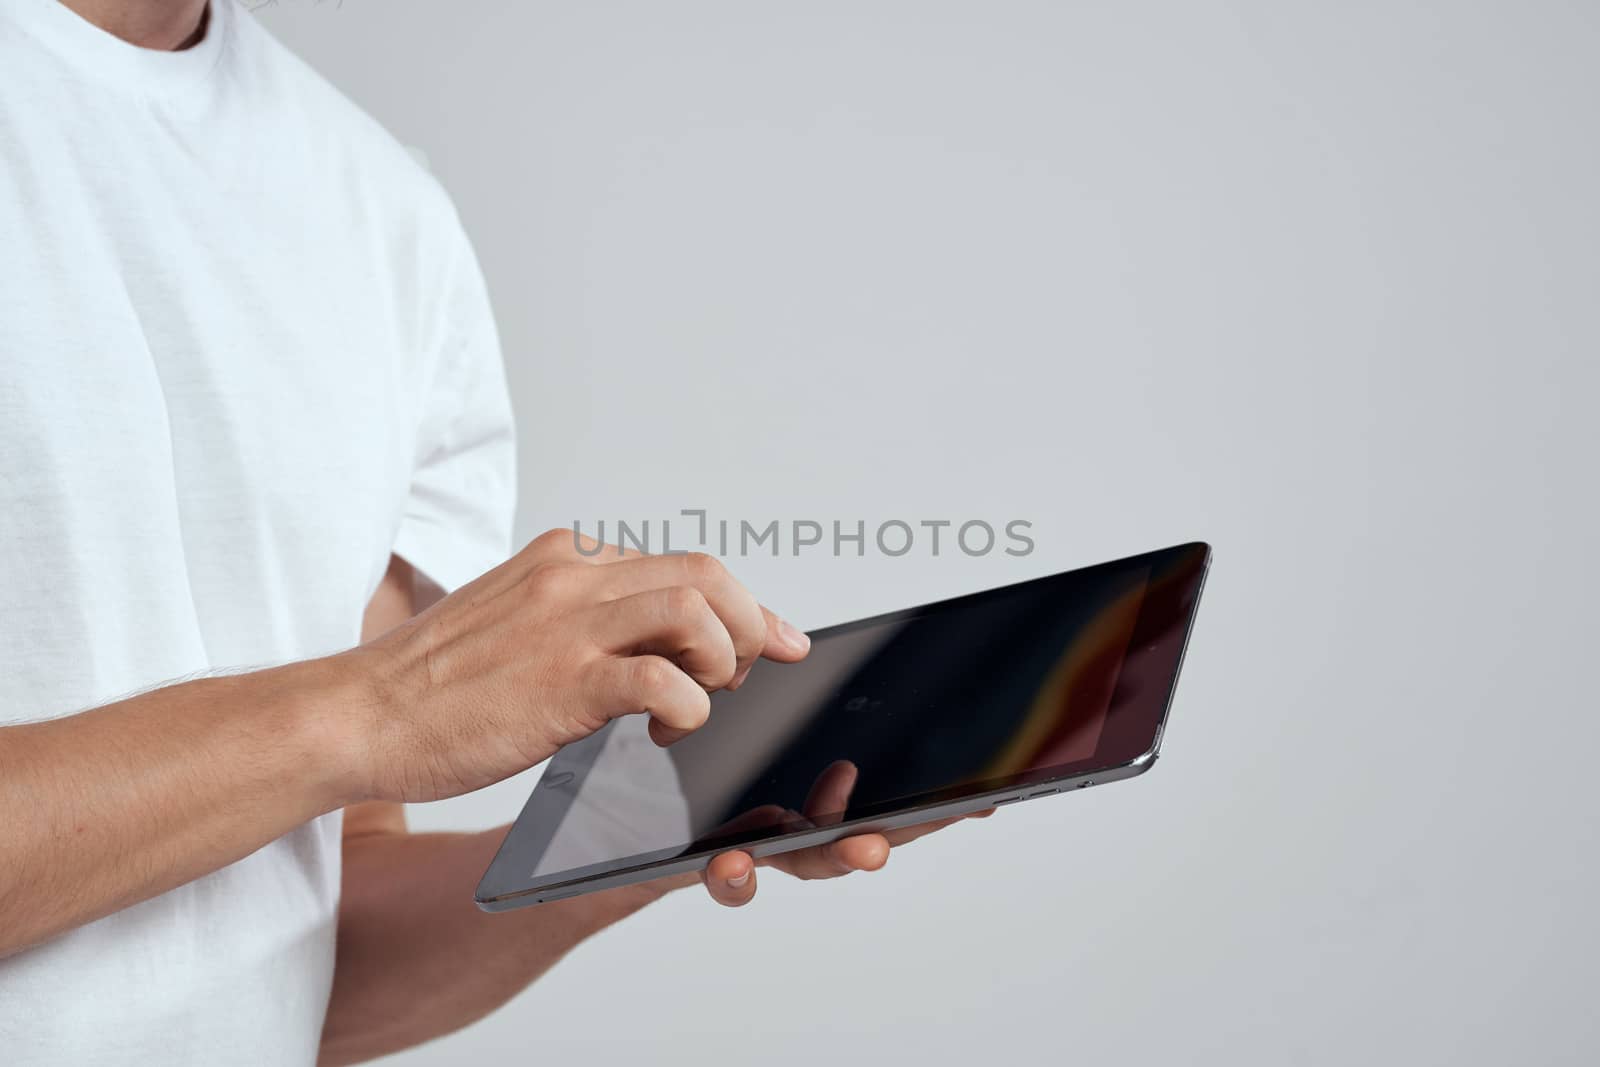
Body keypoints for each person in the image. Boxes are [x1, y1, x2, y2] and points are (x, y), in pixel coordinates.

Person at [0, 1, 981, 1062]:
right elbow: (350, 727)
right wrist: (372, 708)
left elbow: (296, 952)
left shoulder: (380, 207)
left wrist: (631, 836)